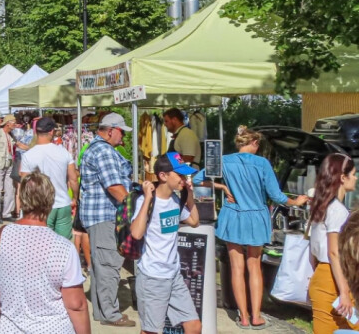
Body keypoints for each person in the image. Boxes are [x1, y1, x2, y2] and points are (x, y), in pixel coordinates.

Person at [215, 129, 308, 329]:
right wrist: (296, 201)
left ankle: (243, 316)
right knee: (254, 266)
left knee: (236, 268)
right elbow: (277, 196)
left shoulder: (224, 161)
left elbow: (197, 179)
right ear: (255, 142)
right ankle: (256, 316)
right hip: (256, 217)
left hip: (233, 216)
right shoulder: (262, 164)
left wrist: (222, 187)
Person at [0, 172, 90, 334]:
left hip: (7, 328)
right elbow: (76, 304)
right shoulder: (63, 248)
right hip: (53, 328)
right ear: (50, 202)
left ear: (21, 200)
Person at [129, 153, 201, 334]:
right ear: (163, 176)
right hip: (153, 278)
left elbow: (194, 221)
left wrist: (190, 194)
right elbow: (136, 233)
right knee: (151, 331)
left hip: (173, 275)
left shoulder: (175, 200)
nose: (183, 180)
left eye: (185, 176)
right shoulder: (146, 202)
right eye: (180, 175)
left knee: (194, 326)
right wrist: (147, 198)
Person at [78, 112, 136, 328]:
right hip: (104, 216)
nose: (123, 137)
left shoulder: (99, 148)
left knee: (101, 266)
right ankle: (110, 314)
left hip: (98, 216)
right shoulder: (104, 151)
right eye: (121, 132)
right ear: (110, 130)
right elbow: (114, 186)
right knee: (108, 265)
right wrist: (135, 210)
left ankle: (103, 312)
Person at [309, 153, 357, 334]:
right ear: (343, 178)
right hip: (334, 280)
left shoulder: (320, 206)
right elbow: (334, 252)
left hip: (321, 276)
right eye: (353, 174)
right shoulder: (338, 211)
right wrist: (344, 292)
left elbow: (312, 249)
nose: (356, 177)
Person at [20, 116, 79, 239]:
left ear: (36, 132)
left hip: (41, 206)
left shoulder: (28, 155)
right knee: (64, 243)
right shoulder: (64, 152)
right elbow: (73, 179)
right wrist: (74, 198)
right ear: (51, 132)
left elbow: (24, 184)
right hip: (63, 204)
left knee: (43, 244)